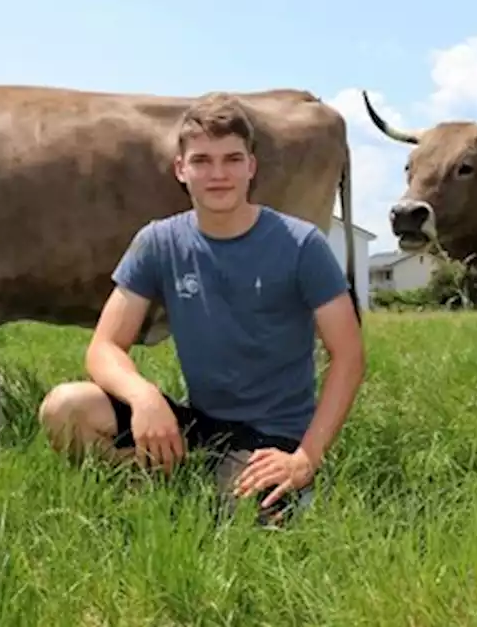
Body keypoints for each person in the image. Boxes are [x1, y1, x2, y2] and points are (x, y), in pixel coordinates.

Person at [38, 92, 365, 526]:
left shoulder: (301, 244)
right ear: (181, 170)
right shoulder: (159, 241)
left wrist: (307, 455)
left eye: (232, 159)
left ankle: (217, 489)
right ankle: (163, 480)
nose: (218, 174)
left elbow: (349, 357)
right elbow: (103, 347)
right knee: (65, 408)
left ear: (251, 166)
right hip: (198, 423)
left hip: (273, 438)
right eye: (202, 161)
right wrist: (144, 398)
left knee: (241, 531)